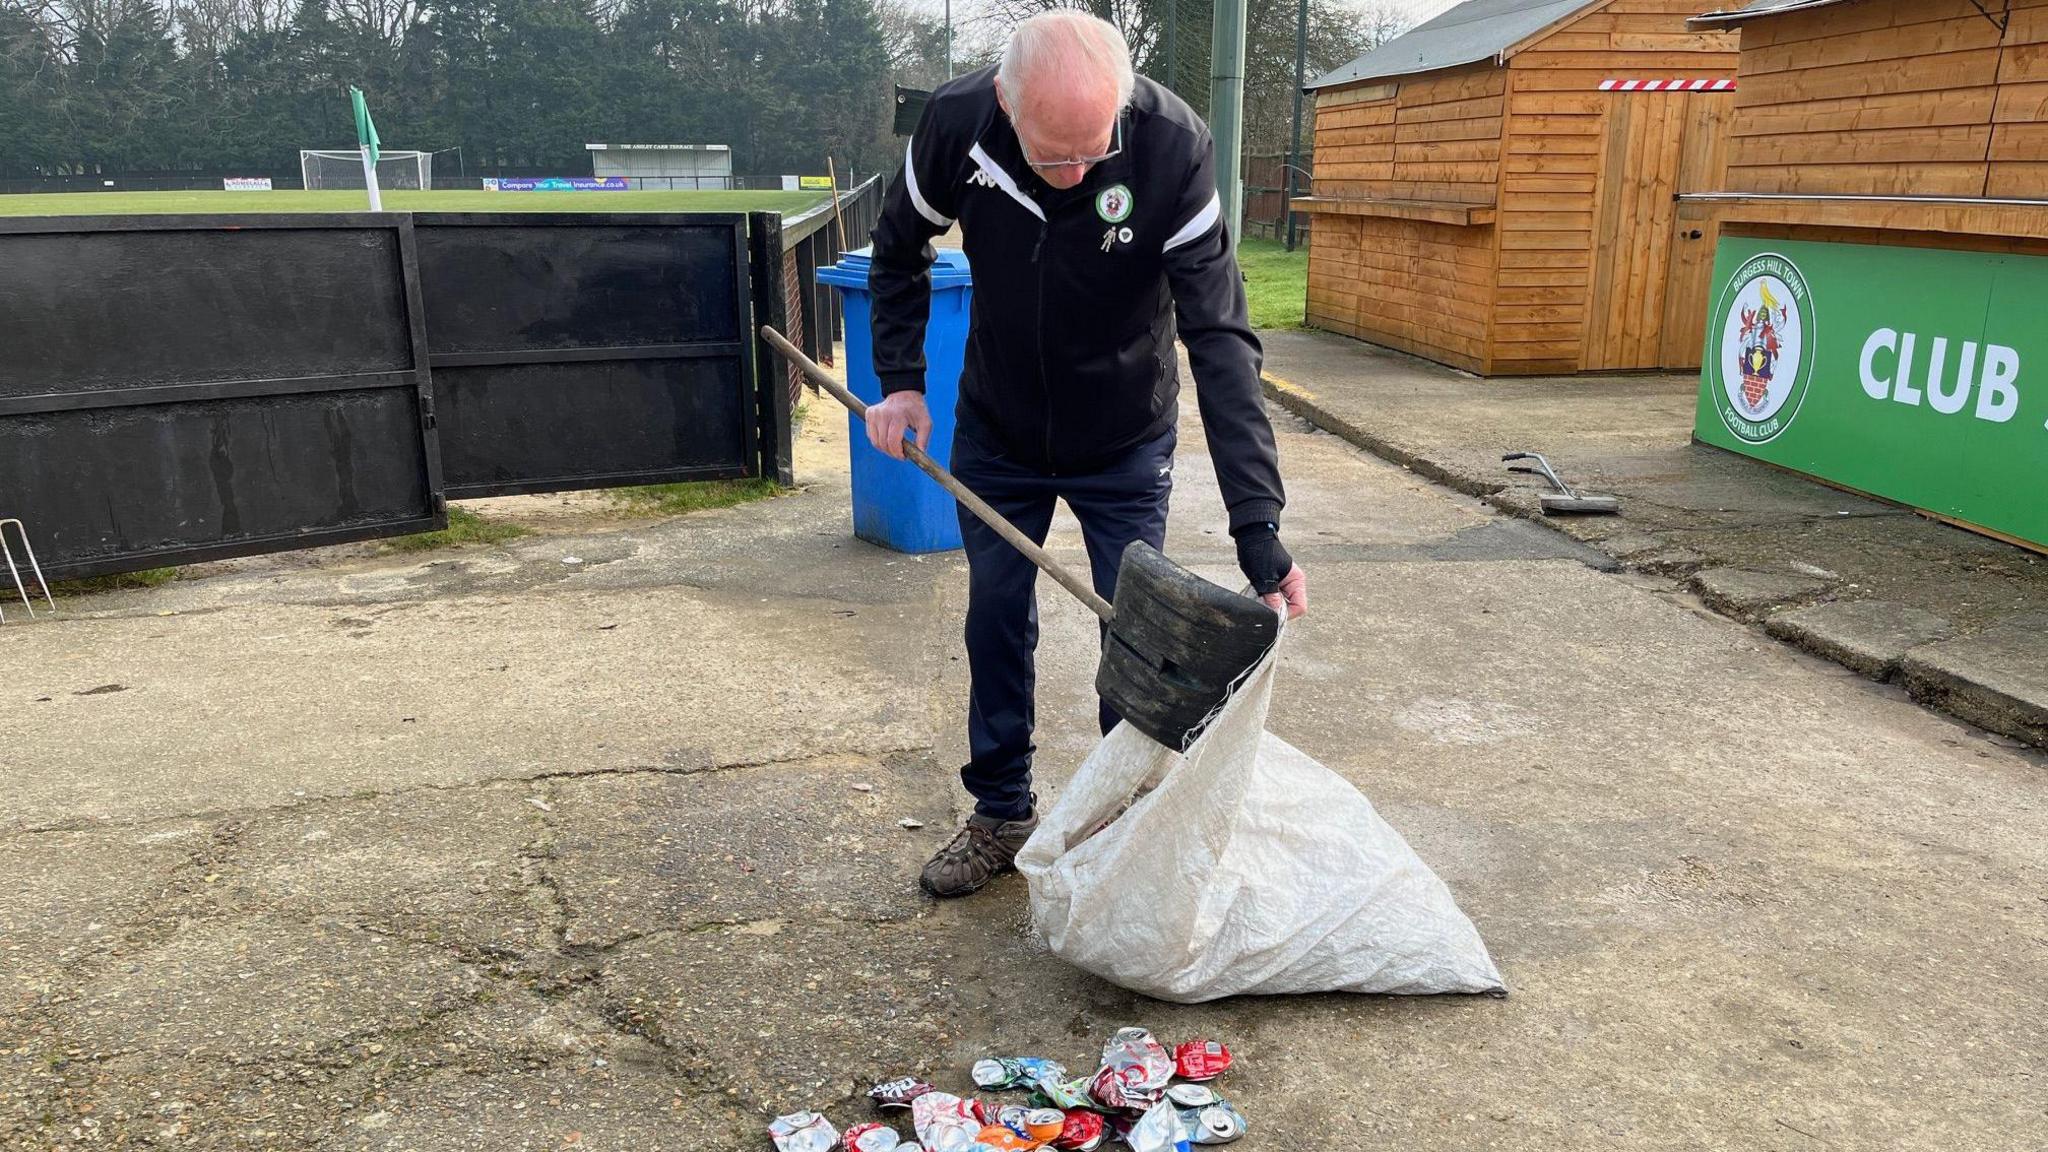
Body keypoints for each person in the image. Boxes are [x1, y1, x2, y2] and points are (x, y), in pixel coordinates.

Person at [867, 10, 1308, 898]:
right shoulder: (957, 125)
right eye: (1051, 156)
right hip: (999, 427)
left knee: (1134, 630)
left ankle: (1117, 819)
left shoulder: (1171, 147)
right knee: (995, 613)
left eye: (1091, 152)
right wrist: (903, 380)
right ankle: (1001, 811)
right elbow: (898, 252)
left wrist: (1258, 528)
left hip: (1124, 435)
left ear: (1121, 105)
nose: (1073, 175)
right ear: (1006, 103)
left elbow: (1221, 338)